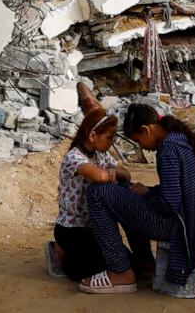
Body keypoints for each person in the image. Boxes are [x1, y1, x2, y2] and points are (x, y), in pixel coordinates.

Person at [79, 104, 195, 294]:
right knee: (127, 190)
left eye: (138, 140)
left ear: (146, 130)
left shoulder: (167, 148)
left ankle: (121, 273)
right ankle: (145, 263)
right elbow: (179, 192)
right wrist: (146, 191)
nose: (141, 146)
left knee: (98, 193)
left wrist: (148, 194)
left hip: (177, 227)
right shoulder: (182, 139)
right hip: (190, 222)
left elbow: (169, 204)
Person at [46, 108, 133, 281]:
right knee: (92, 270)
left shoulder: (101, 155)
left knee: (123, 262)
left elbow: (126, 174)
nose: (112, 141)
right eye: (109, 137)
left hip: (94, 226)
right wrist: (110, 172)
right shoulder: (74, 157)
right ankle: (59, 253)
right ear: (93, 136)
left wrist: (112, 171)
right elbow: (100, 176)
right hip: (72, 228)